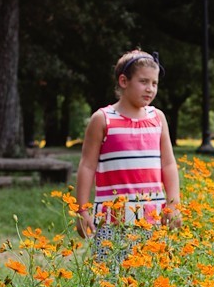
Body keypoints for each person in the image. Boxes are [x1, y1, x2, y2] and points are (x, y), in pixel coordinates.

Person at [74, 50, 182, 247]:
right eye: (144, 82)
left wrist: (173, 205)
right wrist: (82, 209)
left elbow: (168, 164)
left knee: (150, 276)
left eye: (154, 83)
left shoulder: (158, 118)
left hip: (153, 218)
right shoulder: (103, 119)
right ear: (124, 81)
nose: (150, 89)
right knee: (110, 276)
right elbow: (87, 166)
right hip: (110, 221)